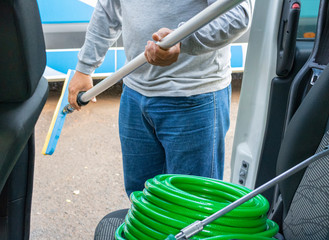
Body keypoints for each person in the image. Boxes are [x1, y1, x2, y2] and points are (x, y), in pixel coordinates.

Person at [68, 0, 251, 197]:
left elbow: (237, 13)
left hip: (193, 97)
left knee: (191, 204)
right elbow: (108, 9)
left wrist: (182, 40)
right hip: (135, 95)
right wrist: (84, 67)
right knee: (142, 199)